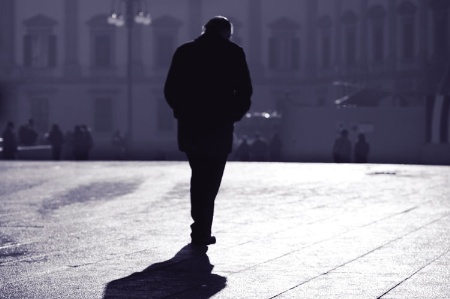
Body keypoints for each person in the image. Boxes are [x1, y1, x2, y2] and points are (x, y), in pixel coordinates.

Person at [164, 16, 252, 246]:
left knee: (198, 175)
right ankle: (202, 229)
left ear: (205, 30)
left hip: (191, 125)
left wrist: (181, 112)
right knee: (211, 179)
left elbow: (170, 89)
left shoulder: (185, 52)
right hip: (219, 126)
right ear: (226, 33)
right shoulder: (233, 52)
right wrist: (232, 116)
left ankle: (199, 228)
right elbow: (244, 92)